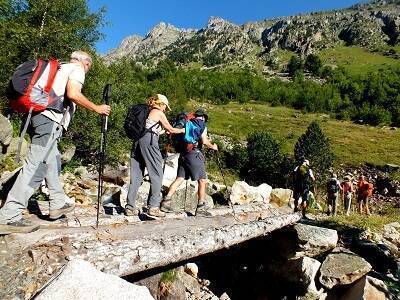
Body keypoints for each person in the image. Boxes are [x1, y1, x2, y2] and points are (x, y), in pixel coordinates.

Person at [0, 50, 111, 234]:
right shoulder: (77, 69)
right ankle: (8, 215)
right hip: (50, 121)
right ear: (87, 63)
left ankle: (58, 204)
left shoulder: (61, 67)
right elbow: (73, 94)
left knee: (51, 161)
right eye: (89, 67)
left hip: (37, 117)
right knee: (34, 165)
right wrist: (97, 108)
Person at [124, 94, 184, 218]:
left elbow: (150, 128)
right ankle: (154, 207)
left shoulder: (147, 111)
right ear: (160, 104)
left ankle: (130, 207)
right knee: (157, 172)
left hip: (137, 141)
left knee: (136, 174)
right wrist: (184, 130)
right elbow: (171, 129)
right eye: (165, 107)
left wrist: (162, 131)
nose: (165, 110)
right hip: (149, 141)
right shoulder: (158, 112)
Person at [160, 109, 218, 215]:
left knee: (179, 179)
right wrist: (213, 146)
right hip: (194, 154)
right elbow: (205, 141)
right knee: (202, 180)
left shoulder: (187, 123)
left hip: (183, 154)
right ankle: (201, 207)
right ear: (203, 117)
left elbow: (177, 131)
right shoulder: (201, 125)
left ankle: (166, 201)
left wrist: (170, 130)